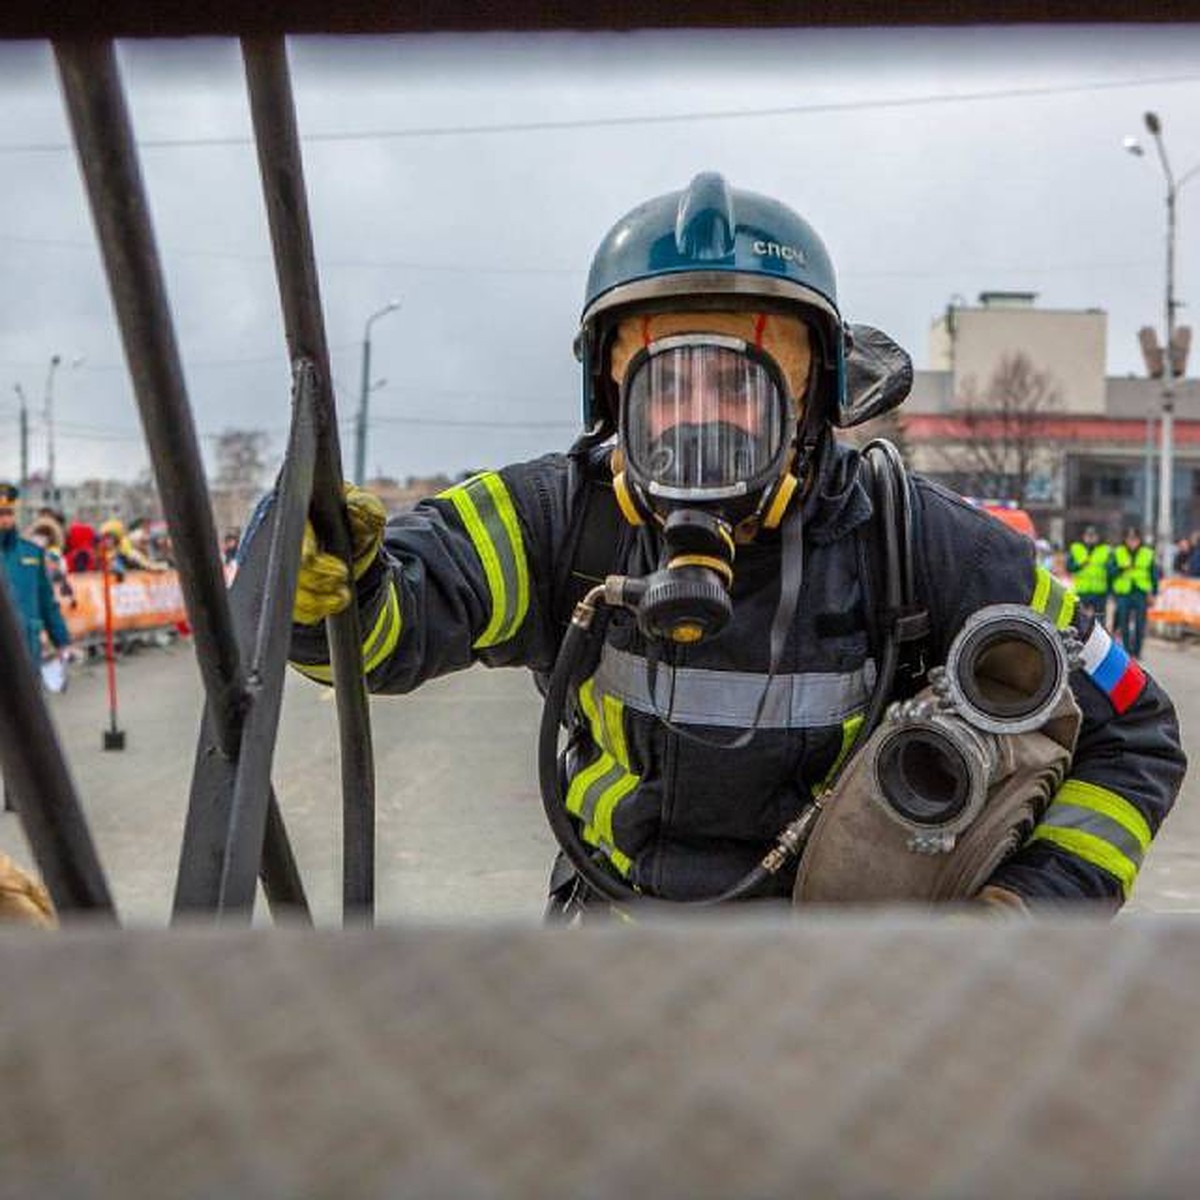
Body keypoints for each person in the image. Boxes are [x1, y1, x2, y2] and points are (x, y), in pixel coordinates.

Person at [281, 173, 1185, 915]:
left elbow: (1135, 731)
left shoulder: (923, 544)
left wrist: (1030, 914)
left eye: (740, 380)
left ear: (816, 396)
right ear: (611, 396)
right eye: (666, 381)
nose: (701, 420)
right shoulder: (561, 518)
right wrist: (315, 566)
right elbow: (384, 624)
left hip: (844, 995)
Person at [1, 482, 71, 810]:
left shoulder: (31, 554)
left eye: (7, 513)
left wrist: (62, 641)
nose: (4, 519)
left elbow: (46, 601)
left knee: (25, 728)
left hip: (25, 652)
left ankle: (19, 794)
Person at [1112, 527, 1158, 658]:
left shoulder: (1147, 553)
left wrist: (1154, 593)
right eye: (1129, 539)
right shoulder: (1118, 552)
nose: (1132, 542)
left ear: (1139, 540)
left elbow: (1154, 574)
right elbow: (1110, 572)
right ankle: (1127, 651)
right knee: (1123, 622)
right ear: (1125, 540)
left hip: (1140, 593)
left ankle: (1137, 651)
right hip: (1123, 593)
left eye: (1135, 539)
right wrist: (1121, 568)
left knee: (1140, 623)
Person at [1066, 525, 1112, 624]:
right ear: (1083, 536)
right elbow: (1069, 567)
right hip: (1082, 591)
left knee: (1100, 622)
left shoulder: (1105, 550)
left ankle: (1100, 640)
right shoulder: (1076, 548)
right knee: (1080, 621)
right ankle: (1082, 640)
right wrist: (1080, 565)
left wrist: (1109, 590)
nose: (1090, 538)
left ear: (1097, 537)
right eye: (1088, 535)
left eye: (1093, 535)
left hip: (1099, 592)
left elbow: (1110, 571)